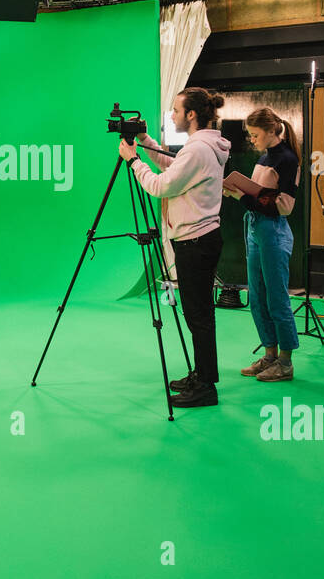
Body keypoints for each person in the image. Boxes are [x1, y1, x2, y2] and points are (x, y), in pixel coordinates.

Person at [123, 88, 231, 408]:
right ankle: (201, 375)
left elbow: (160, 185)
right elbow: (172, 166)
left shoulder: (198, 150)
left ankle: (206, 386)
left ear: (191, 115)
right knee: (198, 313)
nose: (172, 115)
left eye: (175, 110)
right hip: (200, 238)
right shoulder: (203, 146)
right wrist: (144, 141)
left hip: (195, 242)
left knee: (198, 315)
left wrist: (133, 162)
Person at [227, 108, 301, 382]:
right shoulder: (263, 158)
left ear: (271, 131)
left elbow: (283, 207)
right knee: (256, 296)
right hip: (255, 229)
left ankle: (285, 362)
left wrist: (240, 197)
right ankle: (269, 355)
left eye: (255, 135)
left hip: (273, 231)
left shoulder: (288, 160)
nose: (252, 139)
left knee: (276, 298)